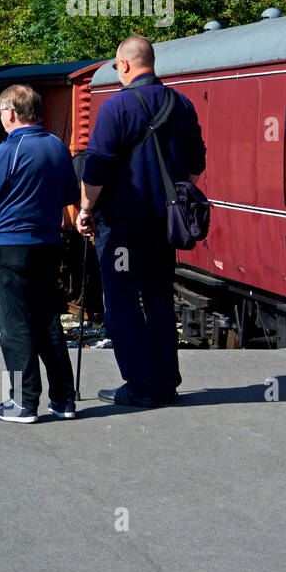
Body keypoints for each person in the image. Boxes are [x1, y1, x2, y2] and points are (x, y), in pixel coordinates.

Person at [77, 35, 206, 407]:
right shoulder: (181, 104)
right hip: (164, 227)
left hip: (122, 227)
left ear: (125, 65)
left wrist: (86, 209)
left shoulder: (116, 107)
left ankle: (140, 384)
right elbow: (196, 166)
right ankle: (166, 382)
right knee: (159, 300)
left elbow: (96, 167)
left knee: (121, 302)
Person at [0, 85, 80, 423]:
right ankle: (63, 399)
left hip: (11, 244)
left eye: (1, 112)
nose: (1, 117)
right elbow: (69, 193)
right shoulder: (58, 147)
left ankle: (23, 402)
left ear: (12, 113)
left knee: (14, 324)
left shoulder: (9, 150)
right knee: (47, 320)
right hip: (48, 243)